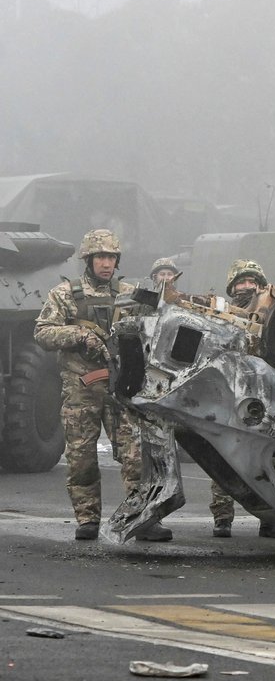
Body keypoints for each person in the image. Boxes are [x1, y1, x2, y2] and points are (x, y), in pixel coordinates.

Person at [34, 229, 172, 541]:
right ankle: (87, 519)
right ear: (88, 259)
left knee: (137, 458)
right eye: (100, 257)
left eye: (111, 257)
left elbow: (158, 322)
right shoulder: (66, 294)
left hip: (121, 388)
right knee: (82, 459)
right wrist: (79, 335)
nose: (106, 263)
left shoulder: (129, 293)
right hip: (81, 390)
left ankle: (143, 519)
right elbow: (43, 333)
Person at [210, 259, 275, 539]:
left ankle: (271, 520)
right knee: (223, 454)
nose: (247, 286)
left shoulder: (274, 312)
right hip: (228, 393)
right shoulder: (218, 312)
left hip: (264, 394)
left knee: (269, 458)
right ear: (232, 287)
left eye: (252, 281)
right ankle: (222, 518)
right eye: (241, 282)